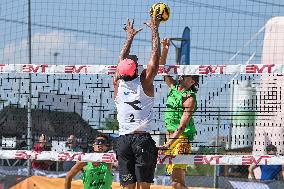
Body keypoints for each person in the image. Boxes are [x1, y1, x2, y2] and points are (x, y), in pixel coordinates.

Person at [113, 17, 160, 189]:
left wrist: (129, 37)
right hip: (142, 140)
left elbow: (121, 61)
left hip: (123, 141)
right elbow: (155, 57)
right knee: (144, 188)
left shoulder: (117, 84)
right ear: (136, 70)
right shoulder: (145, 83)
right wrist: (155, 29)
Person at [159, 38, 199, 189]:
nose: (183, 74)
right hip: (170, 137)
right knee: (177, 183)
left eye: (188, 75)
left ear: (192, 82)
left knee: (176, 183)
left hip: (181, 139)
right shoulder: (174, 87)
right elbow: (161, 70)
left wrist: (168, 144)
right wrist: (166, 49)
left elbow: (182, 126)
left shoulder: (189, 98)